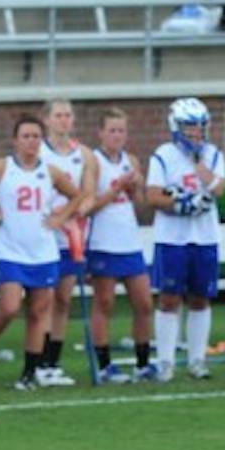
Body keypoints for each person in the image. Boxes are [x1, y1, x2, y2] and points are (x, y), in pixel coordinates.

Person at [0, 115, 79, 390]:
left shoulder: (50, 171)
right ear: (16, 140)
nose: (32, 141)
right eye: (26, 136)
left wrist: (62, 218)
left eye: (36, 136)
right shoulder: (3, 167)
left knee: (38, 312)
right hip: (11, 250)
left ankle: (28, 373)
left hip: (43, 251)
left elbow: (77, 195)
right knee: (9, 307)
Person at [146, 97, 225, 382]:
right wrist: (180, 202)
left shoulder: (213, 155)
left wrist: (204, 175)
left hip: (204, 237)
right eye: (190, 127)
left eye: (200, 127)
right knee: (169, 298)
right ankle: (166, 361)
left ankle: (197, 359)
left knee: (201, 298)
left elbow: (220, 189)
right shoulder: (163, 155)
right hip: (173, 238)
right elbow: (153, 195)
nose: (196, 133)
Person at [85, 107, 156, 385]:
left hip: (129, 241)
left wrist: (134, 188)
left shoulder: (131, 160)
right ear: (101, 133)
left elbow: (139, 204)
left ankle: (142, 363)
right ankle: (104, 365)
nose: (117, 136)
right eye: (112, 130)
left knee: (143, 302)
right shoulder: (93, 161)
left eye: (121, 131)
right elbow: (90, 204)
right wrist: (116, 188)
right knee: (105, 302)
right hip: (103, 241)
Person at [38, 97, 95, 388]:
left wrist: (73, 213)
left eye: (68, 115)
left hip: (70, 234)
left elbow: (88, 195)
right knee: (43, 300)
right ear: (47, 119)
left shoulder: (82, 154)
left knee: (63, 299)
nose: (63, 120)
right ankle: (37, 360)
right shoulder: (38, 152)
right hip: (43, 233)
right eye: (58, 115)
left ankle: (53, 361)